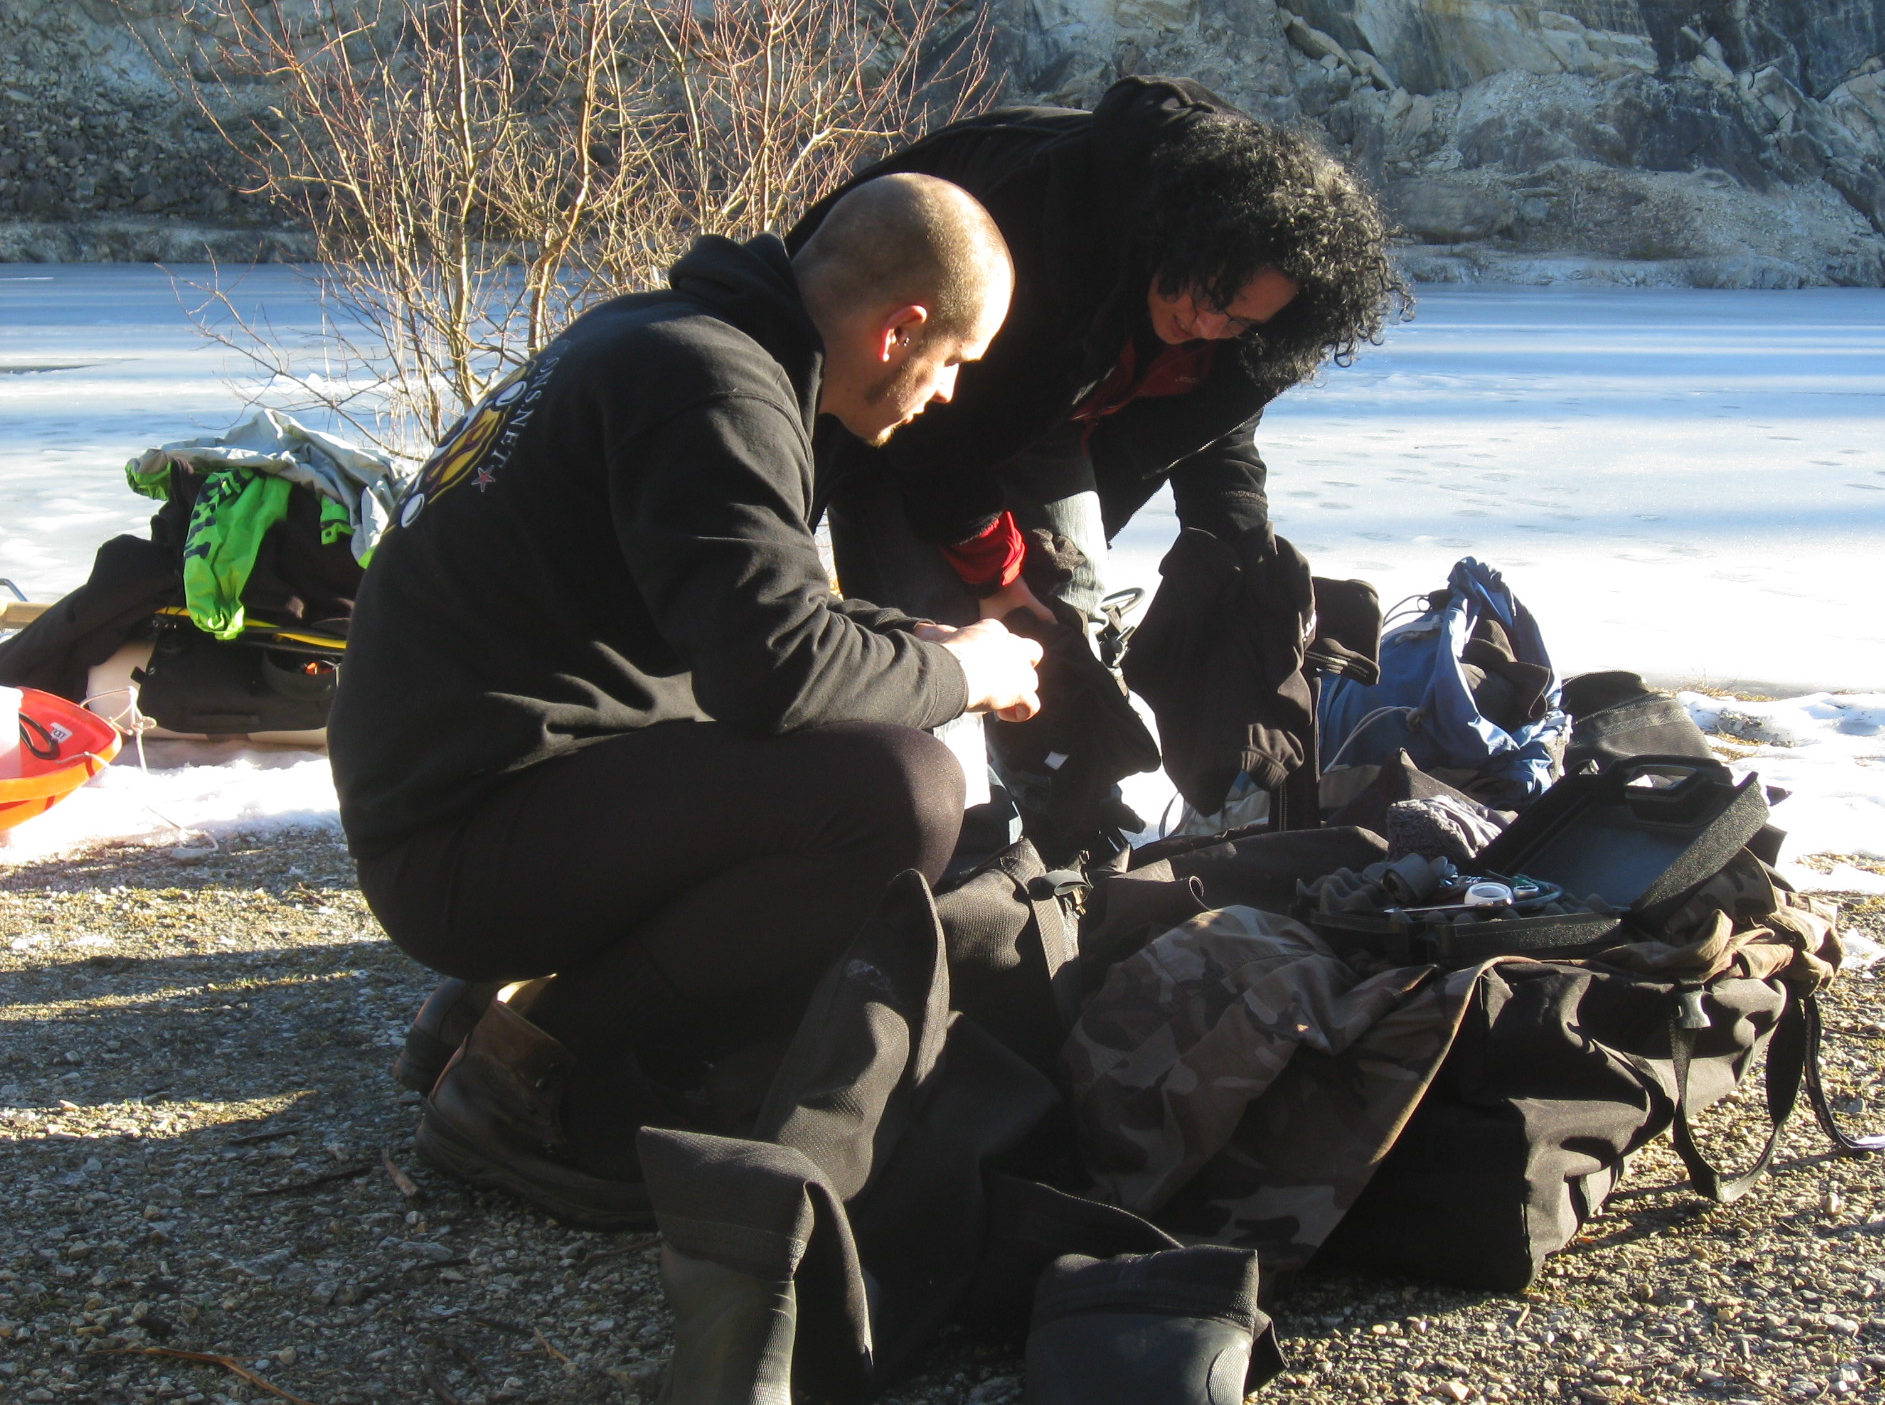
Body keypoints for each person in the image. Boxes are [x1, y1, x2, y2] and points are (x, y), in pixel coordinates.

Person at [327, 173, 1041, 1227]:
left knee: (853, 740)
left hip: (466, 801)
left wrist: (921, 642)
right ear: (900, 331)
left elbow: (752, 612)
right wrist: (967, 673)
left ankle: (487, 1015)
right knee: (899, 795)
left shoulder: (668, 340)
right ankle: (526, 1070)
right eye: (952, 366)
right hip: (459, 846)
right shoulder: (715, 387)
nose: (945, 397)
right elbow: (778, 673)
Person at [784, 76, 1404, 839]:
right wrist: (996, 578)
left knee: (1070, 617)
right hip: (897, 403)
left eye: (1236, 319)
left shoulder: (1252, 312)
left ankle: (1069, 817)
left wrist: (1242, 553)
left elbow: (1217, 422)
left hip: (1047, 411)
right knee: (932, 635)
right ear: (1178, 233)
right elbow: (930, 428)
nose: (1206, 321)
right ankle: (937, 841)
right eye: (1205, 292)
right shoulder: (1050, 215)